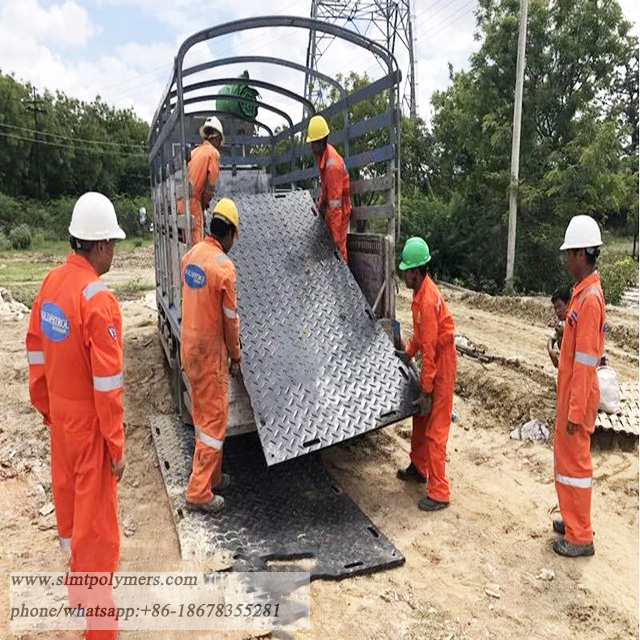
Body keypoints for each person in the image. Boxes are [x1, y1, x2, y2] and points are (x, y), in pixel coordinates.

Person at [26, 192, 126, 638]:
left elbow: (35, 352)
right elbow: (108, 386)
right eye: (112, 244)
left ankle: (78, 601)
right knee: (96, 535)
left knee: (69, 521)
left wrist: (49, 410)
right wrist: (115, 446)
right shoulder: (98, 301)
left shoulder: (49, 285)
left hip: (61, 426)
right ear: (99, 244)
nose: (113, 253)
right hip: (88, 431)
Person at [181, 198, 242, 513]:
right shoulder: (223, 268)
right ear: (229, 232)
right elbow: (230, 320)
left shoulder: (190, 256)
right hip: (209, 354)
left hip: (189, 346)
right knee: (214, 422)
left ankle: (213, 476)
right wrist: (236, 355)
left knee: (203, 418)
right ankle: (198, 491)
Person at [552, 215, 605, 557]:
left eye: (570, 253)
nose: (566, 258)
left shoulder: (589, 300)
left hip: (577, 398)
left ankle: (581, 535)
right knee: (565, 462)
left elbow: (586, 364)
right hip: (570, 394)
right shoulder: (580, 295)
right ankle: (572, 520)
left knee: (576, 467)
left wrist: (574, 409)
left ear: (582, 255)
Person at [396, 237, 457, 511]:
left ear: (417, 271)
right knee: (421, 419)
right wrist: (408, 353)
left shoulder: (428, 298)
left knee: (436, 428)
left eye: (406, 271)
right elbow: (420, 337)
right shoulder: (419, 295)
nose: (404, 275)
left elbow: (431, 350)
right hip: (434, 361)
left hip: (442, 364)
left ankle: (439, 491)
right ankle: (419, 468)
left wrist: (427, 390)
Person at [307, 114, 352, 262]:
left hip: (339, 212)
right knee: (327, 249)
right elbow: (326, 189)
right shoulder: (324, 156)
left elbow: (335, 208)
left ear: (320, 141)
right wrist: (320, 206)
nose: (311, 147)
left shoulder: (332, 166)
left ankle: (345, 282)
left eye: (313, 142)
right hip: (333, 209)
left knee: (338, 251)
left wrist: (335, 238)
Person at [181, 115, 224, 245]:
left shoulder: (194, 152)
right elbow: (210, 187)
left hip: (182, 204)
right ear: (216, 137)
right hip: (194, 204)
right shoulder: (213, 153)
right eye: (219, 140)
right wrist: (204, 204)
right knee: (197, 247)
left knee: (188, 246)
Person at [547, 287, 570, 367]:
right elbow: (551, 338)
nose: (557, 311)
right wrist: (550, 351)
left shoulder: (574, 320)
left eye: (559, 306)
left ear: (568, 303)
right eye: (555, 308)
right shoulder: (562, 323)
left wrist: (566, 333)